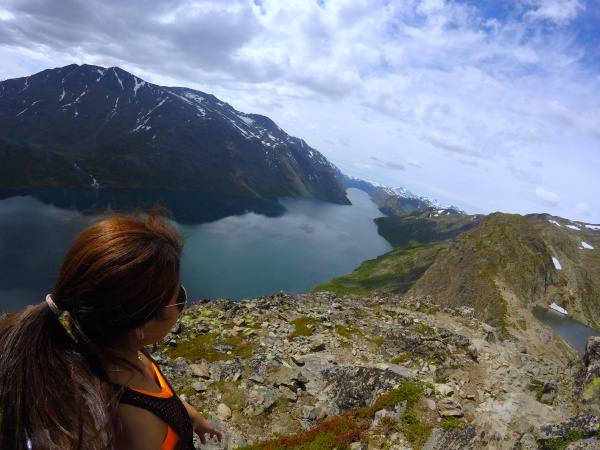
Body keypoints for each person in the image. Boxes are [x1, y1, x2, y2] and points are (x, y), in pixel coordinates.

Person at [0, 212, 222, 449]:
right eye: (178, 299)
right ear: (140, 327)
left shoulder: (115, 349)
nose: (181, 305)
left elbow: (159, 399)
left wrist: (188, 415)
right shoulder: (137, 429)